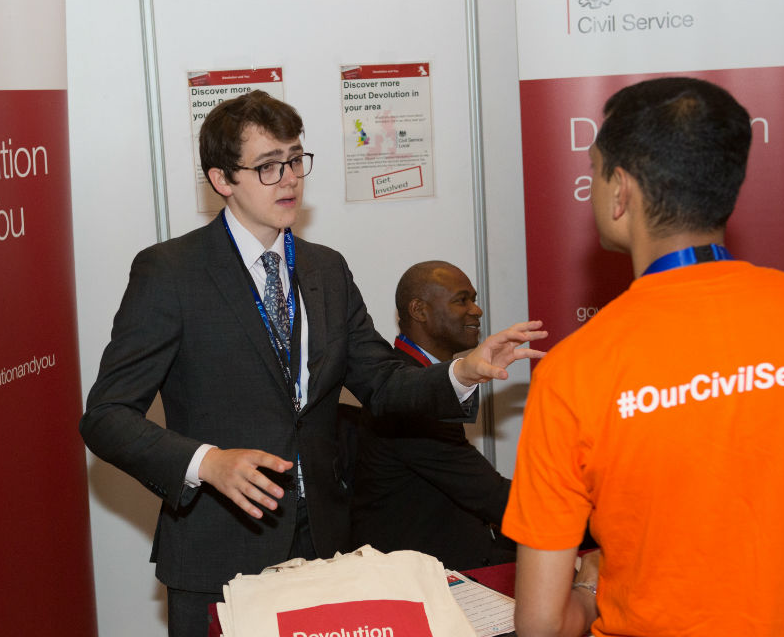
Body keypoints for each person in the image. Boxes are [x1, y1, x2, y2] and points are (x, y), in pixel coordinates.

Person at [79, 90, 547, 637]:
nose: (289, 179)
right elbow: (106, 415)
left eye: (296, 160)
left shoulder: (326, 269)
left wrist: (460, 372)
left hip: (325, 545)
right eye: (268, 166)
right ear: (222, 179)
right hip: (217, 550)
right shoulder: (171, 272)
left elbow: (382, 383)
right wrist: (206, 463)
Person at [502, 76, 784, 636]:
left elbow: (540, 625)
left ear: (621, 190)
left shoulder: (574, 372)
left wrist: (589, 586)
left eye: (593, 169)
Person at [350, 261, 516, 571]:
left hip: (452, 553)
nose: (477, 311)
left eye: (474, 299)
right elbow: (490, 495)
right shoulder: (404, 395)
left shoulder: (420, 379)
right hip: (425, 578)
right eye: (461, 300)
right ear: (419, 310)